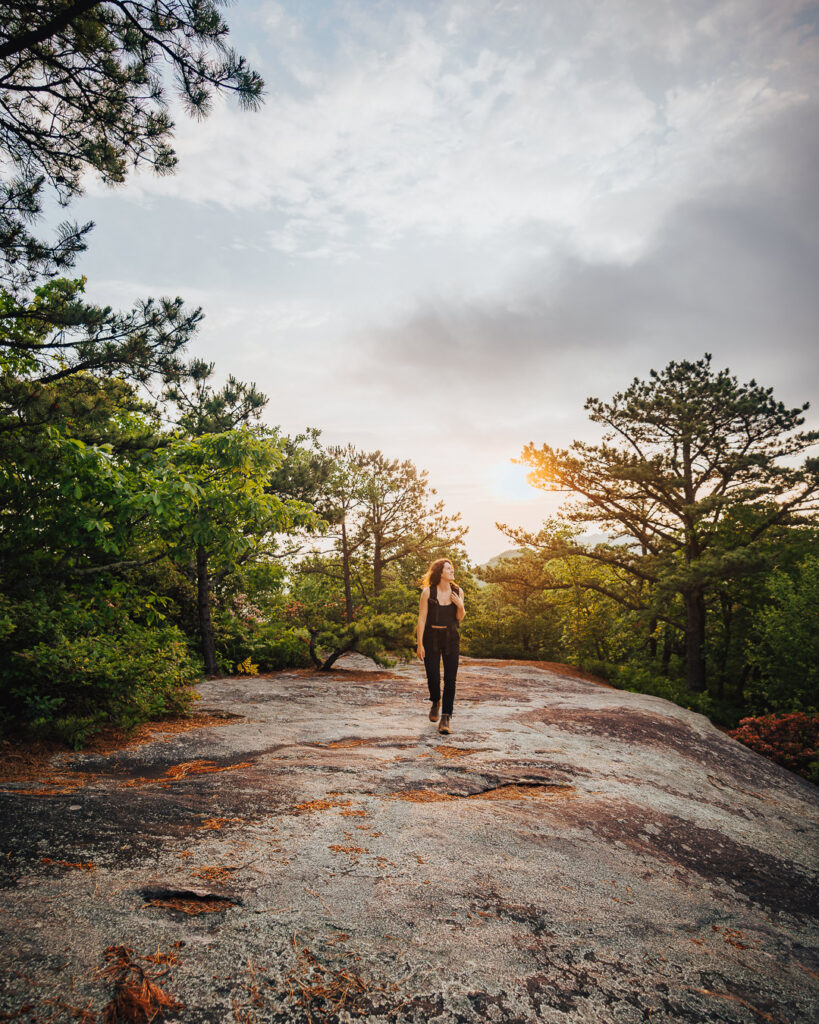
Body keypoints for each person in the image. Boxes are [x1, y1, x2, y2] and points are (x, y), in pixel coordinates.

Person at [416, 558, 466, 734]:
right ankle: (436, 700)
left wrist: (460, 605)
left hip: (451, 637)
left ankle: (446, 717)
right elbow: (421, 619)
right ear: (440, 573)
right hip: (431, 638)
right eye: (448, 568)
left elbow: (460, 617)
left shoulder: (458, 591)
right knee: (433, 676)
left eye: (451, 568)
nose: (452, 570)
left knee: (450, 679)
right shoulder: (428, 593)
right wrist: (419, 643)